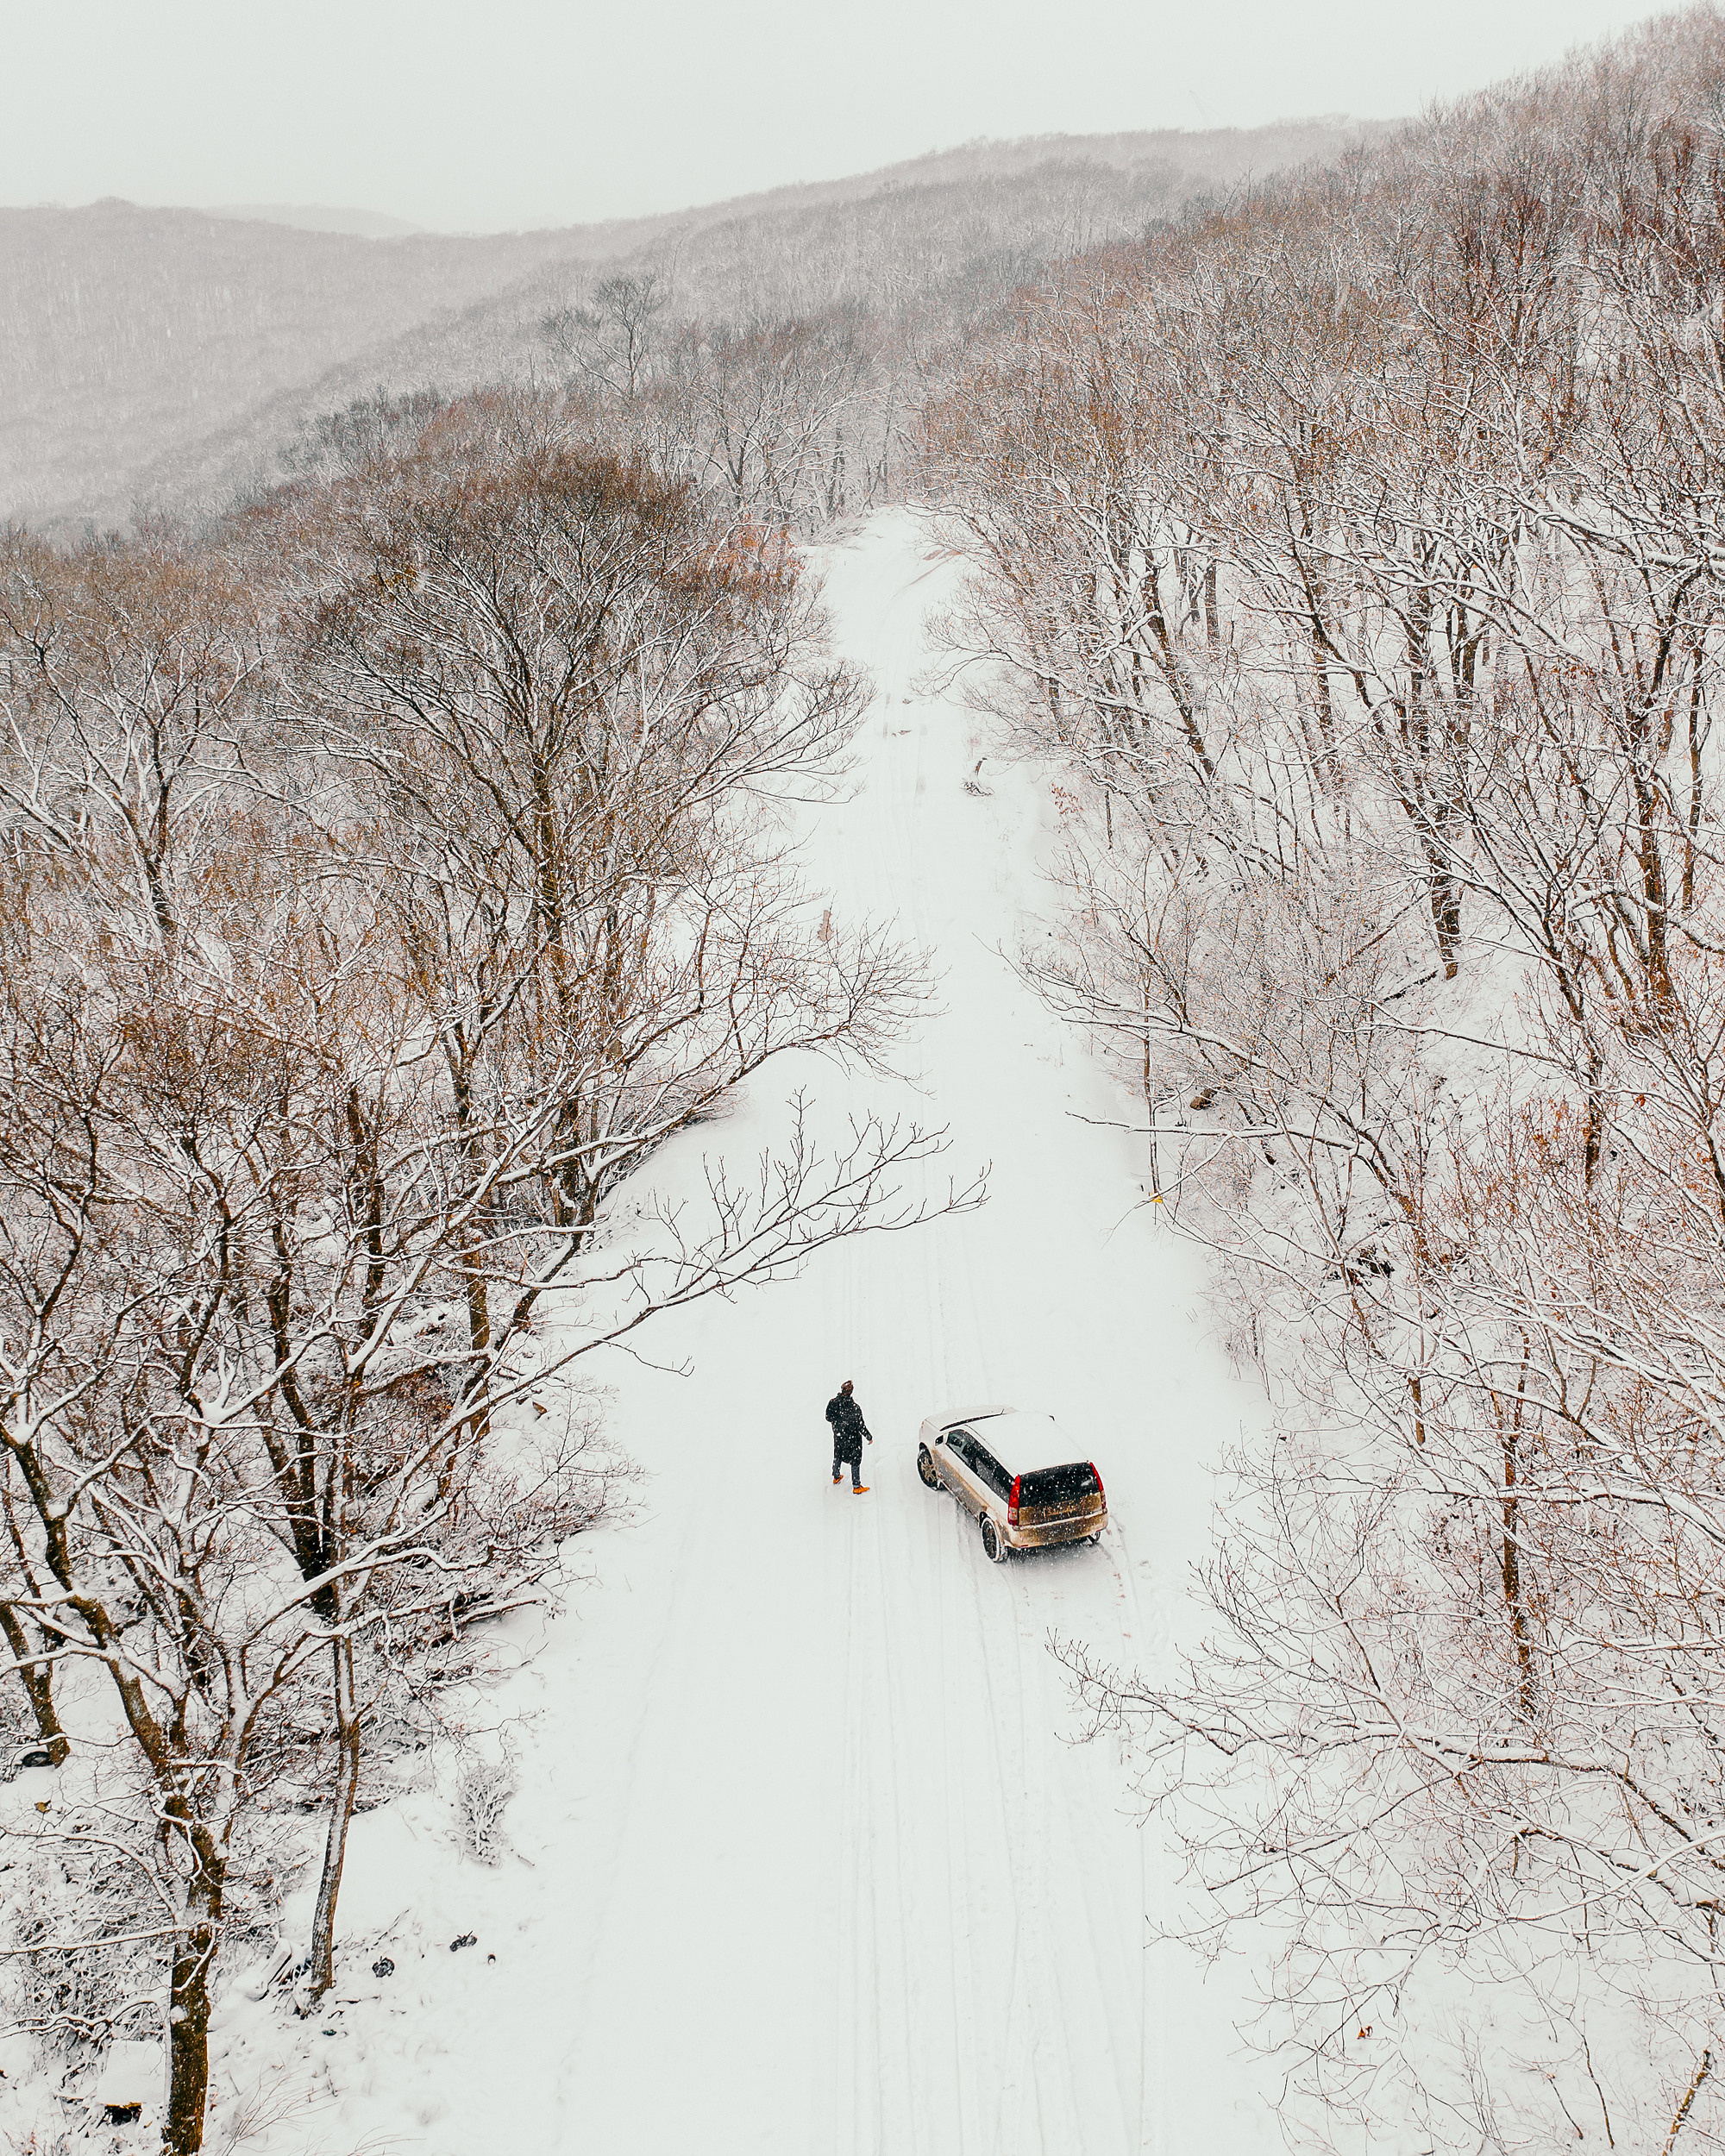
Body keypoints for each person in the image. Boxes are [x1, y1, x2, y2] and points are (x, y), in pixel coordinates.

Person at [825, 1379, 873, 1494]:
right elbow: (861, 1425)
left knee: (838, 1454)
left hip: (839, 1435)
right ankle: (856, 1486)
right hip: (853, 1438)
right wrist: (868, 1437)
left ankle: (836, 1476)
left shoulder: (833, 1403)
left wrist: (838, 1423)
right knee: (855, 1460)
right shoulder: (855, 1408)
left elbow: (828, 1417)